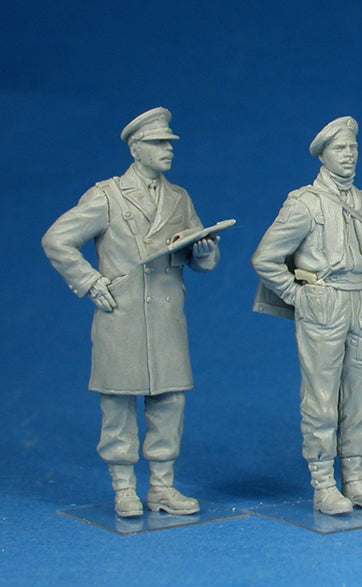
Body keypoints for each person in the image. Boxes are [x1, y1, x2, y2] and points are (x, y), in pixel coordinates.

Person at [41, 107, 220, 517]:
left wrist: (203, 251)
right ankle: (124, 489)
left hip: (167, 316)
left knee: (169, 401)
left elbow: (202, 260)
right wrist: (90, 281)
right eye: (158, 143)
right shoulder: (107, 196)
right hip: (122, 314)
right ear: (136, 149)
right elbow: (57, 240)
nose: (168, 149)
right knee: (118, 402)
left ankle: (162, 487)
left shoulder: (179, 198)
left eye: (169, 143)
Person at [252, 116, 362, 515]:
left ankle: (356, 479)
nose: (349, 155)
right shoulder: (305, 203)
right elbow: (265, 258)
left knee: (361, 394)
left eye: (353, 148)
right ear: (323, 155)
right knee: (321, 395)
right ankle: (324, 484)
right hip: (323, 300)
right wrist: (297, 295)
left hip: (358, 300)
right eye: (340, 149)